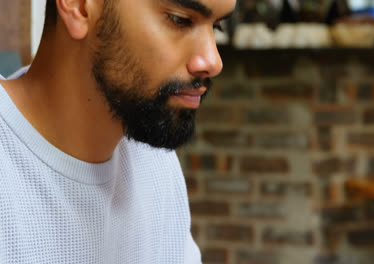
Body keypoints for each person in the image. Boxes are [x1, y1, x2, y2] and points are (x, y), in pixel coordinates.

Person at [0, 0, 236, 263]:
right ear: (79, 7)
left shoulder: (154, 164)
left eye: (217, 27)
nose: (213, 61)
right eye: (180, 20)